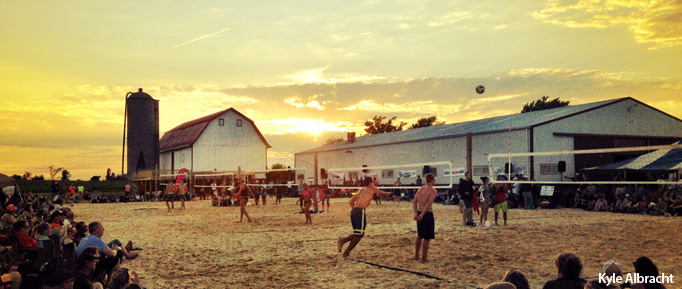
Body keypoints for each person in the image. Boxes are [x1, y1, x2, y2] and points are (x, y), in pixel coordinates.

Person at [337, 177, 389, 258]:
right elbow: (382, 193)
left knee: (358, 234)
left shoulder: (361, 190)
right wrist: (389, 193)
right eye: (373, 181)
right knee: (360, 234)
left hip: (354, 211)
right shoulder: (372, 188)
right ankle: (343, 242)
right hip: (360, 211)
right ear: (370, 182)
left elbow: (351, 201)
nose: (374, 182)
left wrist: (355, 209)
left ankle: (346, 251)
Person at [412, 173, 437, 263]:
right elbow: (428, 204)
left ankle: (416, 255)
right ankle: (424, 258)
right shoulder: (433, 190)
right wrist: (422, 214)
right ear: (432, 180)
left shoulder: (421, 189)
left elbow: (414, 201)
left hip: (419, 212)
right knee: (427, 237)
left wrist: (416, 213)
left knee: (419, 236)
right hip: (427, 214)